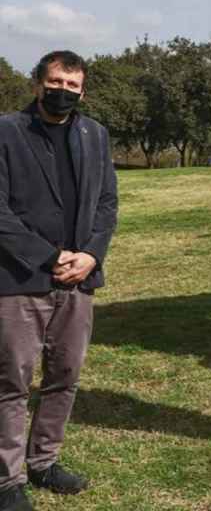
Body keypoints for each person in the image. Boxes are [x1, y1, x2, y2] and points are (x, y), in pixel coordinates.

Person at [0, 51, 118, 511]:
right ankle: (7, 480)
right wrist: (49, 256)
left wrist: (91, 254)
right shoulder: (7, 131)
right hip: (20, 277)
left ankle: (44, 461)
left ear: (82, 90)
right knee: (12, 381)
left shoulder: (95, 135)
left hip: (79, 280)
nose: (63, 90)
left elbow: (107, 203)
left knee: (65, 375)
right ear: (37, 84)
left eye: (73, 85)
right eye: (56, 81)